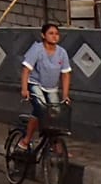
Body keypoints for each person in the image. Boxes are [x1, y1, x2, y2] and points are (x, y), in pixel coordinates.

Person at [18, 22, 73, 152]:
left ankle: (53, 143)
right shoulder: (37, 49)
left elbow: (65, 75)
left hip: (52, 87)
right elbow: (26, 70)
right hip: (35, 84)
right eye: (51, 33)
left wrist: (65, 96)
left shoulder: (62, 53)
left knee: (56, 112)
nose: (54, 36)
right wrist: (24, 89)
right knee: (41, 108)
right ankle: (26, 140)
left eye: (56, 34)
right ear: (43, 35)